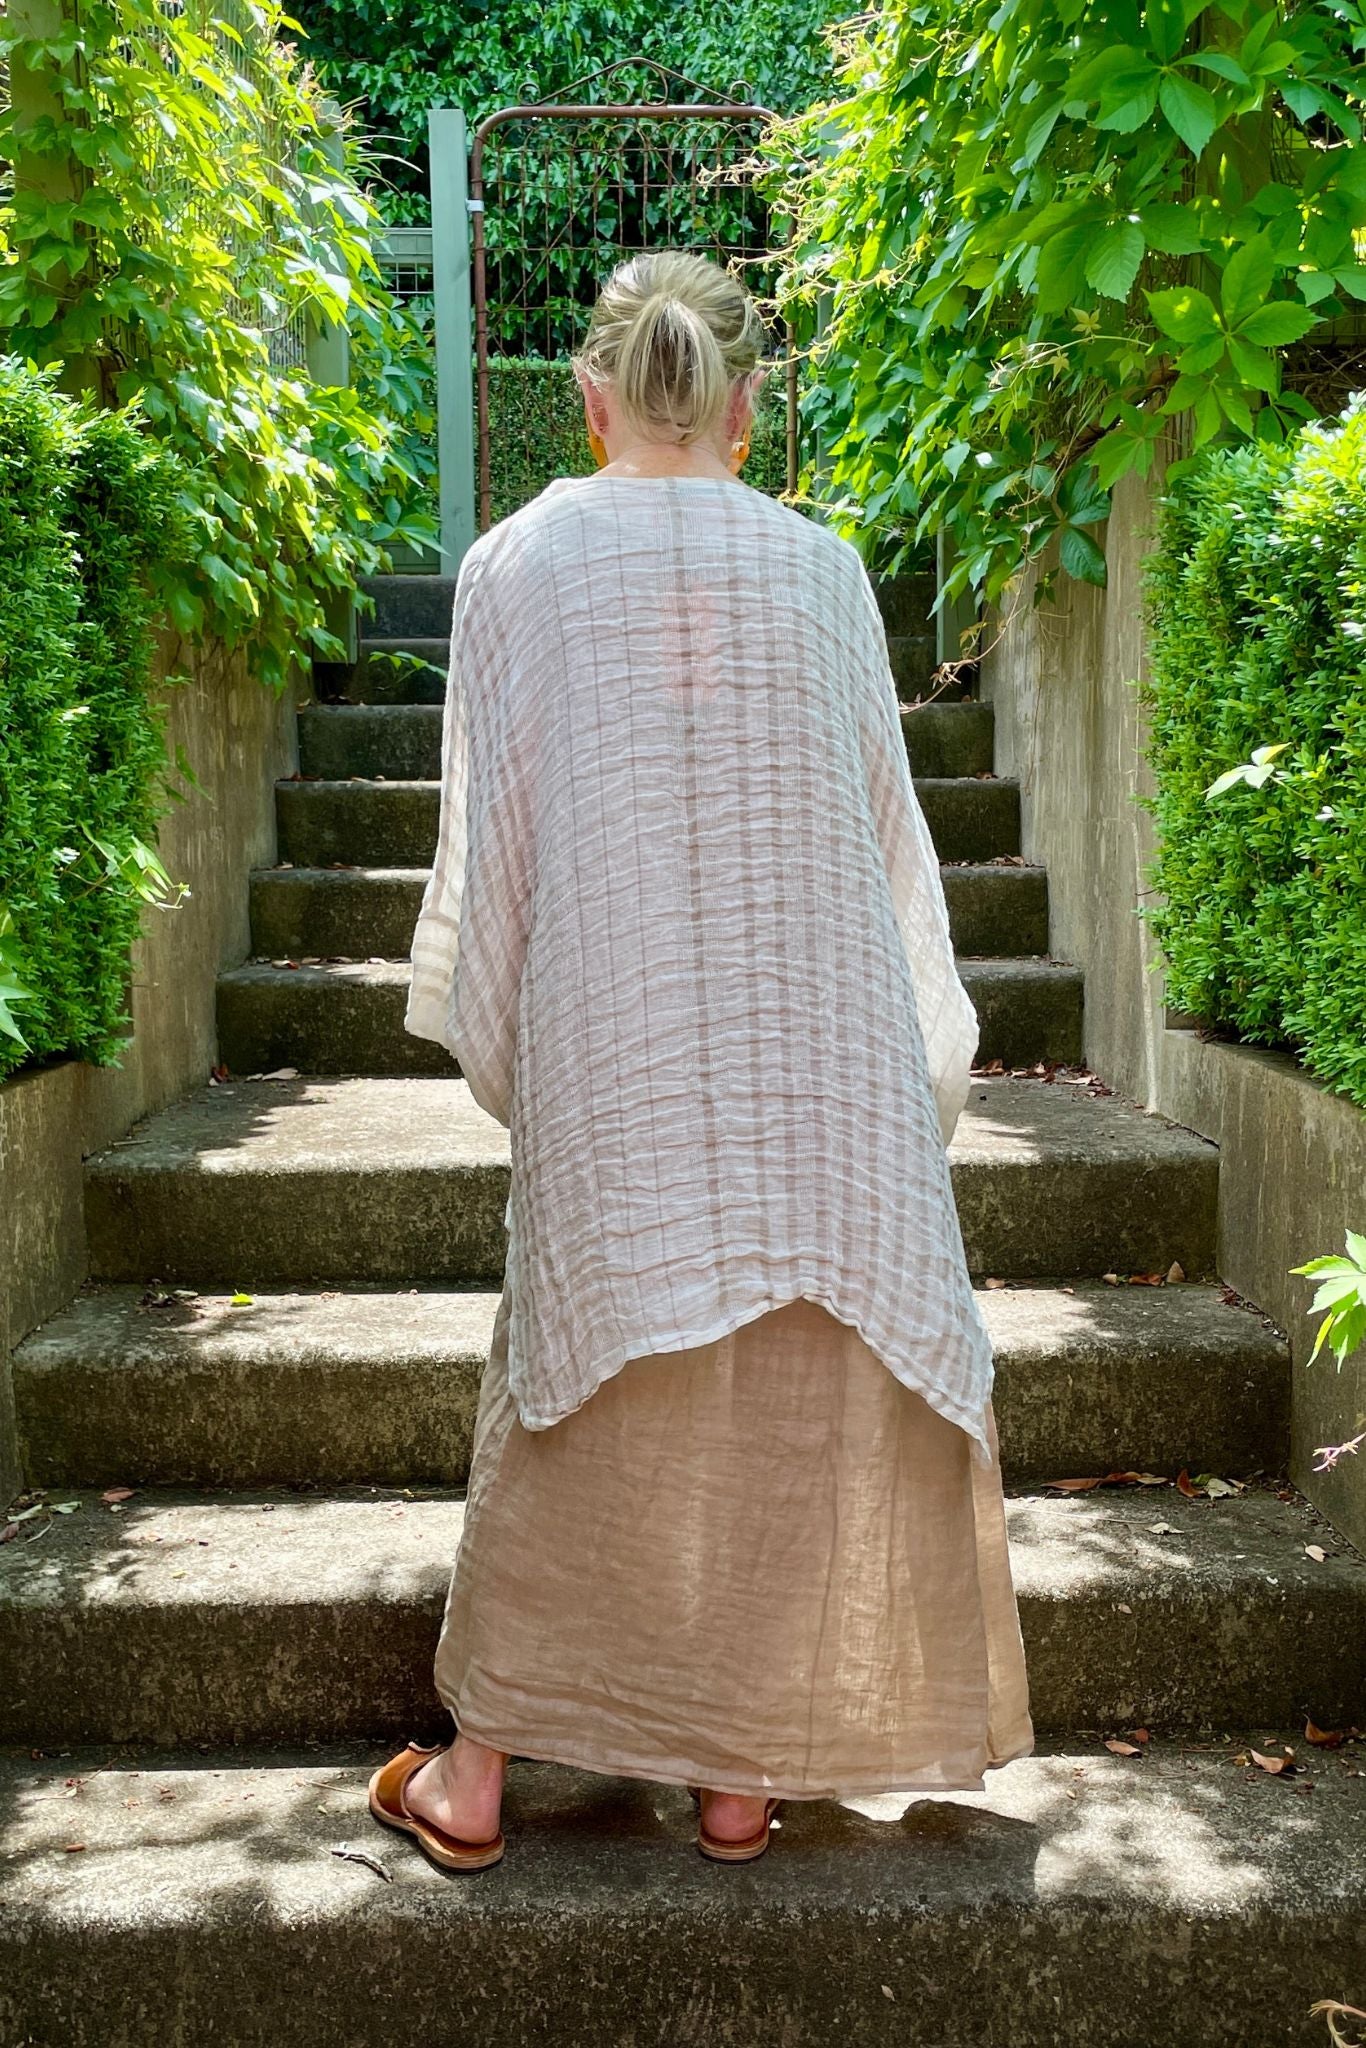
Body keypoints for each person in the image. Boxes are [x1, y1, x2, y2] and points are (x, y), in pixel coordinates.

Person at [369, 250, 1032, 1871]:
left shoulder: (513, 564)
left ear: (590, 402)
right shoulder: (821, 570)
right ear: (745, 412)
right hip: (823, 1060)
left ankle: (477, 1776)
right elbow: (885, 845)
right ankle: (739, 1782)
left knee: (569, 1373)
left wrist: (536, 1048)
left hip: (618, 1044)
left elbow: (493, 854)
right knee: (791, 1391)